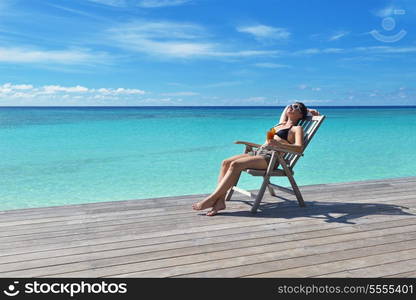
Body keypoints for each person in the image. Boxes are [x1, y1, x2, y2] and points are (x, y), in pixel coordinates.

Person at [192, 102, 320, 216]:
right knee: (225, 162)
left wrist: (280, 145)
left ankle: (211, 199)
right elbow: (287, 108)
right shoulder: (280, 124)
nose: (292, 107)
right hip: (258, 152)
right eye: (291, 105)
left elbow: (299, 148)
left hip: (271, 158)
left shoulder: (297, 128)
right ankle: (220, 201)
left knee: (235, 165)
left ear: (300, 115)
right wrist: (308, 109)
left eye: (296, 107)